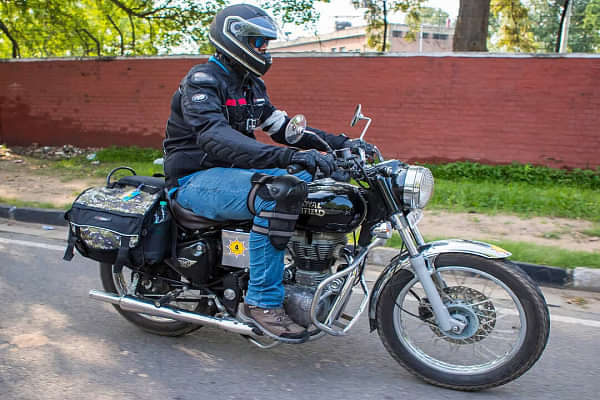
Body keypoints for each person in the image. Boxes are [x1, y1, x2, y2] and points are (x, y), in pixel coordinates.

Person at [163, 4, 374, 340]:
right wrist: (289, 157)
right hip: (195, 179)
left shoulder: (251, 86)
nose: (264, 50)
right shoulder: (203, 80)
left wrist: (340, 144)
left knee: (325, 185)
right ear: (234, 39)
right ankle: (261, 302)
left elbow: (285, 128)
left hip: (232, 175)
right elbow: (215, 138)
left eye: (265, 43)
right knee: (279, 192)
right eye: (258, 42)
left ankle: (310, 278)